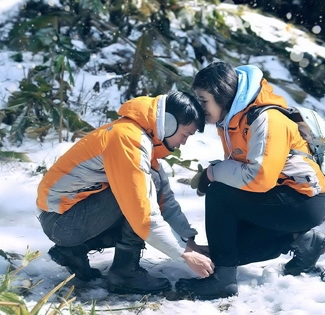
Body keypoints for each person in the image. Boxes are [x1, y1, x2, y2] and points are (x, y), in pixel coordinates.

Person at [175, 61, 325, 299]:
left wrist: (212, 173)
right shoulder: (233, 120)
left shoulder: (266, 118)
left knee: (219, 193)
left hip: (301, 200)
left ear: (222, 94)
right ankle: (303, 241)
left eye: (203, 99)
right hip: (280, 199)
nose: (200, 106)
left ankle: (222, 281)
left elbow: (259, 177)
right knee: (231, 250)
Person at [36, 91, 214, 295]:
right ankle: (125, 274)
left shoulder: (139, 137)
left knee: (150, 184)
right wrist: (185, 254)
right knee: (137, 197)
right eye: (185, 135)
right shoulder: (128, 140)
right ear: (169, 123)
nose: (183, 142)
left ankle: (71, 251)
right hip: (62, 222)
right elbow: (144, 213)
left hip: (65, 217)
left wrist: (189, 243)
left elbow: (165, 200)